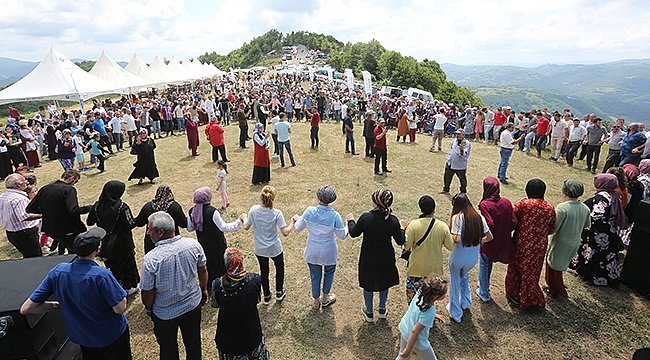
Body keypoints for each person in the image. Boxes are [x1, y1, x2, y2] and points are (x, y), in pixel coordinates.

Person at [20, 228, 132, 359]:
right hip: (110, 336)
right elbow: (120, 308)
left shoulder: (58, 271)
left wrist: (55, 305)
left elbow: (27, 308)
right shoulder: (102, 276)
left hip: (83, 338)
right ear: (98, 249)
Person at [141, 211, 208, 360]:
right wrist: (203, 289)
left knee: (168, 349)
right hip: (192, 305)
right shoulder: (193, 245)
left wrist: (148, 308)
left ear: (160, 232)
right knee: (193, 344)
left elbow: (148, 292)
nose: (147, 233)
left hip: (165, 314)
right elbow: (202, 269)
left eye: (149, 229)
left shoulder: (151, 260)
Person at [347, 188, 405, 322]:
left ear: (376, 202)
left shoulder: (366, 218)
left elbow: (353, 233)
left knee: (368, 283)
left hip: (368, 257)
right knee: (384, 282)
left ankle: (369, 311)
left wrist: (350, 220)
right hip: (386, 257)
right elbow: (400, 240)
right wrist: (402, 228)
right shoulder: (392, 220)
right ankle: (382, 309)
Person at [294, 186, 348, 309]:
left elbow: (298, 228)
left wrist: (297, 219)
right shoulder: (335, 216)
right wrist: (347, 225)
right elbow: (342, 235)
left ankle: (316, 301)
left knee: (314, 275)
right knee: (329, 273)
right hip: (329, 250)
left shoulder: (309, 211)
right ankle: (325, 299)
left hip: (312, 249)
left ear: (318, 198)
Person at [505, 179, 556, 309]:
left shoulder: (524, 204)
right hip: (540, 245)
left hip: (522, 243)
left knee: (516, 268)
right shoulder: (550, 208)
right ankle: (531, 296)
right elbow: (551, 228)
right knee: (532, 272)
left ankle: (514, 295)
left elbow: (512, 219)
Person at [211, 248, 269, 359]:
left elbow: (214, 304)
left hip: (227, 337)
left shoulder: (217, 285)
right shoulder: (255, 280)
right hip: (251, 333)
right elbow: (257, 300)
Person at [569, 174, 626, 287]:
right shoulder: (614, 195)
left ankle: (590, 274)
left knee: (594, 252)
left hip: (599, 233)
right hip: (610, 231)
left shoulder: (601, 197)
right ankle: (607, 277)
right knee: (607, 255)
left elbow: (597, 216)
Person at [243, 186, 295, 304]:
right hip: (274, 247)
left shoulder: (254, 209)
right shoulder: (276, 213)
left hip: (260, 248)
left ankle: (266, 295)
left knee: (264, 270)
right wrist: (292, 222)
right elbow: (285, 232)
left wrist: (244, 217)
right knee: (279, 268)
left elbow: (246, 226)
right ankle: (279, 292)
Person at [87, 180, 139, 295]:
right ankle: (130, 286)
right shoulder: (122, 207)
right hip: (123, 242)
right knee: (127, 264)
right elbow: (131, 223)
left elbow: (89, 222)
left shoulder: (96, 206)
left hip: (106, 243)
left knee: (112, 265)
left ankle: (117, 283)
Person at [446, 193, 492, 323]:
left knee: (455, 282)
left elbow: (457, 239)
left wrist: (449, 235)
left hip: (458, 256)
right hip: (472, 257)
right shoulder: (479, 217)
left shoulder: (457, 218)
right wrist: (479, 241)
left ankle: (455, 312)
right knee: (464, 277)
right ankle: (465, 302)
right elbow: (489, 237)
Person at [187, 187, 243, 291]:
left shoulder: (192, 211)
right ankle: (220, 283)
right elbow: (224, 227)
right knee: (218, 263)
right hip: (217, 243)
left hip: (203, 243)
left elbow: (190, 228)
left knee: (206, 263)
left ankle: (208, 284)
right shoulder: (212, 211)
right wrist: (239, 221)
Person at [402, 195, 453, 304]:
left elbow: (406, 246)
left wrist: (405, 228)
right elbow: (450, 246)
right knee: (430, 298)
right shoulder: (442, 226)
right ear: (434, 209)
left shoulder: (413, 225)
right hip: (434, 270)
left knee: (413, 299)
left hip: (416, 268)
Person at [544, 180, 591, 298]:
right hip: (575, 241)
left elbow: (554, 227)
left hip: (561, 241)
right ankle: (556, 286)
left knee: (554, 266)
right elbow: (586, 224)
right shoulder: (585, 208)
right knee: (560, 264)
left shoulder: (562, 208)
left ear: (565, 192)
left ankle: (557, 290)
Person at [26, 169, 90, 254]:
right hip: (67, 229)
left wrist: (48, 210)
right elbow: (73, 210)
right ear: (71, 178)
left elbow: (30, 208)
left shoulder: (45, 189)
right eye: (75, 181)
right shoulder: (68, 190)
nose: (74, 184)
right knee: (76, 253)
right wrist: (89, 208)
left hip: (51, 228)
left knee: (63, 245)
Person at [476, 177, 517, 302]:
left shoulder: (484, 204)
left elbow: (489, 223)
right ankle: (484, 284)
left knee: (484, 263)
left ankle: (484, 291)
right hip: (502, 240)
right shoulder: (506, 202)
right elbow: (514, 222)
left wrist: (483, 237)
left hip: (488, 240)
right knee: (490, 262)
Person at [395, 277, 448, 360]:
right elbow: (415, 332)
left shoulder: (420, 293)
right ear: (436, 296)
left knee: (402, 357)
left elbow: (419, 311)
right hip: (418, 342)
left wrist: (434, 315)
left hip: (405, 329)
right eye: (444, 294)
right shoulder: (429, 312)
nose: (445, 295)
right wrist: (408, 350)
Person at [135, 184, 186, 254]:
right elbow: (183, 223)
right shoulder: (174, 207)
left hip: (152, 242)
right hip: (171, 242)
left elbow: (138, 223)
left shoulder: (148, 207)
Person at [0, 173, 42, 258]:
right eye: (24, 181)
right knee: (35, 258)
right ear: (18, 184)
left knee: (27, 256)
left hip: (11, 233)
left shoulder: (3, 196)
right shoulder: (20, 199)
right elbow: (25, 217)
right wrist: (44, 214)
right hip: (25, 234)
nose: (26, 182)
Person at [441, 129, 471, 194]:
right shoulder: (454, 141)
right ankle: (446, 189)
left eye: (459, 134)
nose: (457, 135)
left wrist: (461, 150)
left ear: (463, 135)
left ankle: (463, 191)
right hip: (450, 163)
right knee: (447, 177)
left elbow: (464, 154)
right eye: (456, 134)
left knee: (462, 179)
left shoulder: (466, 143)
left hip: (460, 165)